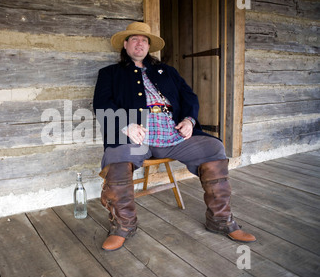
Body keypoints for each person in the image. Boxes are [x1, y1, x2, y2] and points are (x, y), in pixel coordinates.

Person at [93, 22, 256, 251]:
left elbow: (190, 96)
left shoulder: (167, 71)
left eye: (144, 40)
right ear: (126, 44)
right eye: (135, 39)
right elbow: (101, 104)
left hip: (173, 136)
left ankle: (220, 220)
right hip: (138, 138)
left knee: (213, 148)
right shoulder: (110, 73)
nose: (140, 43)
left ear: (149, 46)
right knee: (117, 156)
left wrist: (189, 120)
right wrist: (125, 125)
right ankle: (123, 226)